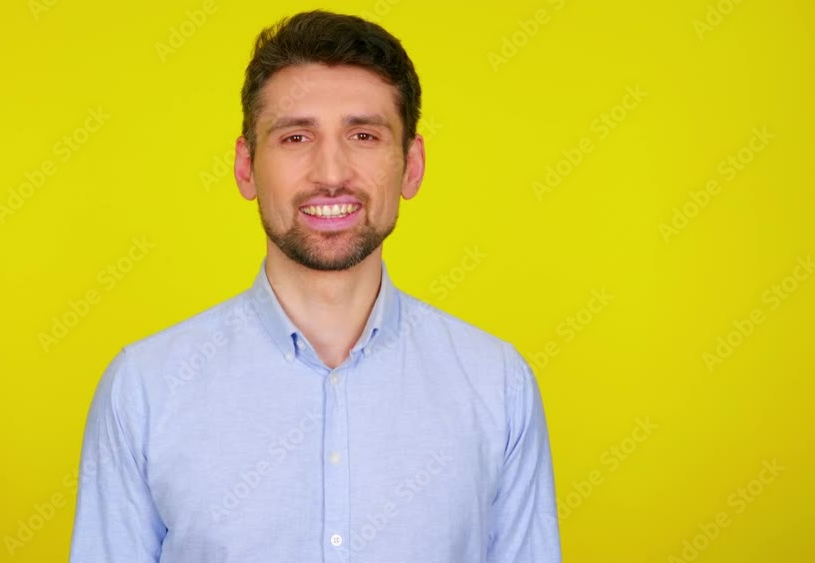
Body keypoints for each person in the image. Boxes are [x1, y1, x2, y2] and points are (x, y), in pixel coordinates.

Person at [69, 9, 561, 562]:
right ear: (246, 167)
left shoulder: (497, 386)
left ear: (412, 166)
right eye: (296, 136)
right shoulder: (144, 389)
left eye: (364, 135)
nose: (330, 173)